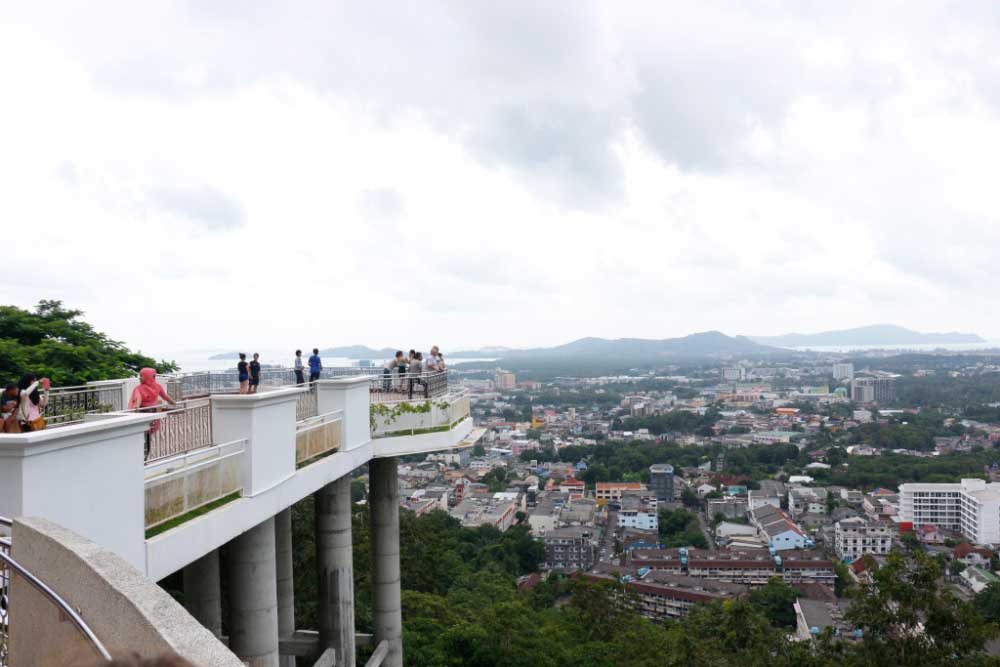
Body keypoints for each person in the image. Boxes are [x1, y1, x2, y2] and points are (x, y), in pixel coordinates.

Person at [129, 368, 177, 460]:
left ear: (147, 376)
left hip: (143, 415)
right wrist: (174, 402)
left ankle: (142, 458)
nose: (140, 378)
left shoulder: (140, 388)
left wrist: (136, 408)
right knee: (146, 437)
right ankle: (143, 458)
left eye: (142, 375)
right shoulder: (156, 387)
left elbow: (138, 399)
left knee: (144, 437)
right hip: (151, 415)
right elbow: (165, 397)